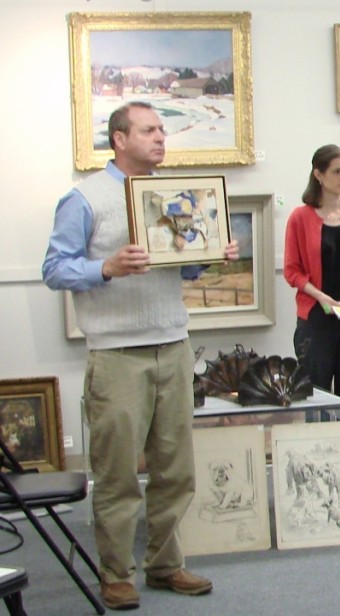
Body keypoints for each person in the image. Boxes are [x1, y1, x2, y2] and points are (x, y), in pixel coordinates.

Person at [42, 101, 238, 611]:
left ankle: (165, 564)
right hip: (116, 354)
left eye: (162, 131)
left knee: (176, 468)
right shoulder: (84, 198)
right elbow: (55, 269)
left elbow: (184, 269)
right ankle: (116, 572)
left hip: (173, 345)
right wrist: (104, 267)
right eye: (149, 131)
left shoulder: (171, 195)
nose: (160, 139)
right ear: (119, 138)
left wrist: (210, 255)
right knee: (118, 472)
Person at [284, 145, 340, 422]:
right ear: (319, 175)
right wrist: (322, 297)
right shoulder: (300, 218)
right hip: (317, 320)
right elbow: (293, 271)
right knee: (316, 395)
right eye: (337, 171)